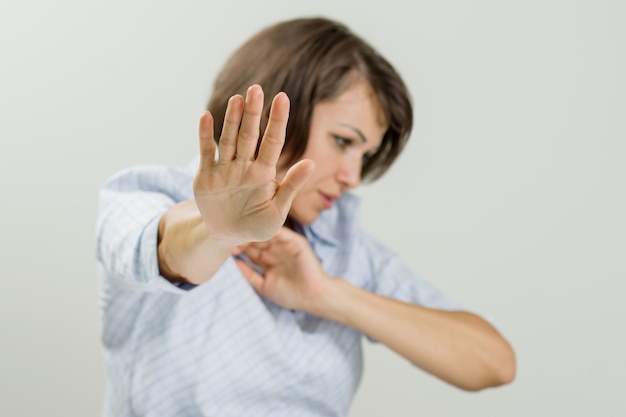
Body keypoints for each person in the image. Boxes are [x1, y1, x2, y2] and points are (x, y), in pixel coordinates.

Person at [96, 16, 516, 417]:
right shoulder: (146, 196)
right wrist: (218, 231)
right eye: (342, 140)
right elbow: (167, 247)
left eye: (365, 155)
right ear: (275, 118)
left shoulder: (348, 250)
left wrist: (326, 294)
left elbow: (493, 362)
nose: (353, 176)